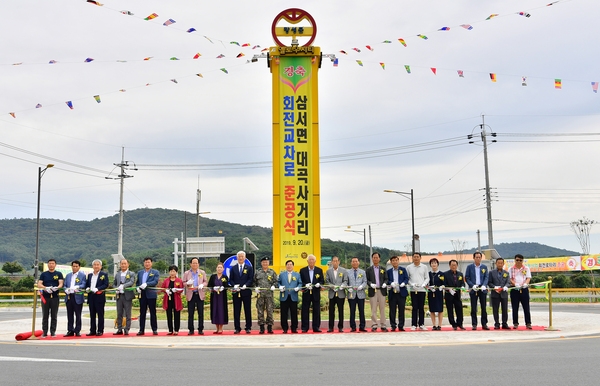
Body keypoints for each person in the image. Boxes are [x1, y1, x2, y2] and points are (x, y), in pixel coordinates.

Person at [229, 251, 254, 334]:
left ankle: (248, 327)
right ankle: (237, 327)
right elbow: (231, 279)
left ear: (245, 258)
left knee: (247, 310)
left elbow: (251, 279)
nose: (240, 258)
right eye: (239, 256)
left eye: (242, 256)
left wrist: (246, 285)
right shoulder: (233, 268)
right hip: (236, 292)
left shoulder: (249, 267)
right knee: (236, 310)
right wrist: (234, 285)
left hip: (246, 292)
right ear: (237, 258)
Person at [38, 258, 64, 338]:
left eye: (53, 263)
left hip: (55, 297)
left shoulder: (59, 274)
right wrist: (46, 288)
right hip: (45, 297)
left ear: (55, 265)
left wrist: (56, 288)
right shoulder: (44, 274)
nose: (51, 265)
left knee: (54, 315)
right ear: (47, 265)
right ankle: (44, 332)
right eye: (49, 263)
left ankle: (53, 332)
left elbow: (61, 283)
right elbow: (39, 284)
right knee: (45, 315)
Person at [300, 254, 325, 333]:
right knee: (305, 310)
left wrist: (319, 284)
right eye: (310, 260)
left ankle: (316, 327)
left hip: (315, 293)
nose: (311, 261)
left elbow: (322, 280)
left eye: (312, 260)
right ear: (307, 261)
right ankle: (305, 327)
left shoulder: (319, 270)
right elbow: (300, 281)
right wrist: (305, 285)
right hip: (306, 293)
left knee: (316, 310)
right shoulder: (302, 270)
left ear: (315, 261)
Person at [183, 257, 208, 335]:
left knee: (201, 313)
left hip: (199, 293)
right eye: (193, 263)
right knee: (191, 313)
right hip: (191, 294)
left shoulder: (202, 272)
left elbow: (205, 282)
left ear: (198, 264)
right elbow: (183, 282)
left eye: (196, 263)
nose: (194, 264)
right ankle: (191, 329)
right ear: (190, 264)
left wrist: (202, 285)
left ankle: (200, 329)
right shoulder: (187, 273)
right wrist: (187, 283)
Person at [253, 256, 278, 334]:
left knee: (270, 311)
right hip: (260, 295)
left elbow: (276, 281)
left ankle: (270, 327)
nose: (265, 263)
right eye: (263, 262)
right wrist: (255, 288)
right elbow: (253, 282)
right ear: (261, 263)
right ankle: (261, 327)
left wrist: (274, 286)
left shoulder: (272, 272)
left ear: (268, 263)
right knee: (260, 311)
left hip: (269, 295)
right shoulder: (257, 272)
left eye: (266, 262)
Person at [465, 251, 490, 330]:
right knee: (473, 307)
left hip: (482, 289)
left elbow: (486, 277)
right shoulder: (469, 267)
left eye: (479, 257)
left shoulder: (484, 267)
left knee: (483, 307)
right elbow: (467, 278)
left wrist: (484, 285)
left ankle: (484, 323)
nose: (478, 259)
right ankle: (474, 324)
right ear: (474, 258)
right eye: (476, 257)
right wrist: (472, 285)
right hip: (474, 288)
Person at [136, 257, 160, 335]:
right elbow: (137, 283)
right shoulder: (140, 272)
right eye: (146, 262)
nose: (147, 264)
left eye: (148, 262)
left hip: (151, 294)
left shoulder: (155, 272)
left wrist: (147, 284)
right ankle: (141, 329)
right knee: (142, 312)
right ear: (144, 263)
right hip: (142, 295)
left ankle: (154, 329)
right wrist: (137, 288)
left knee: (153, 312)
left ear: (151, 263)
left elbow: (155, 281)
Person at [86, 259, 109, 336]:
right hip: (91, 296)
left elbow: (106, 284)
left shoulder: (104, 274)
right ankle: (92, 330)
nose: (96, 266)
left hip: (99, 296)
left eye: (97, 265)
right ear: (92, 266)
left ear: (100, 266)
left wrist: (98, 288)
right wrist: (87, 288)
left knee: (100, 314)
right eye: (94, 265)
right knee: (92, 314)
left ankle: (100, 330)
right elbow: (87, 284)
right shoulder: (89, 275)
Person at [325, 256, 348, 332]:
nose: (335, 262)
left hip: (340, 293)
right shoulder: (328, 271)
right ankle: (331, 327)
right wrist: (332, 287)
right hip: (332, 293)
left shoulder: (343, 270)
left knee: (340, 311)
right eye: (333, 261)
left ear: (339, 262)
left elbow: (345, 281)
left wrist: (342, 286)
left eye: (336, 261)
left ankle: (340, 327)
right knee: (331, 311)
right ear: (331, 262)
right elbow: (327, 281)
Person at [406, 252, 429, 331]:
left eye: (417, 257)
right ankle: (414, 324)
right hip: (413, 290)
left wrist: (424, 284)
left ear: (420, 258)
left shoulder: (424, 267)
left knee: (421, 307)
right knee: (414, 307)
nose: (416, 258)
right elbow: (407, 278)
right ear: (412, 258)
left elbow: (427, 278)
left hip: (422, 290)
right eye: (414, 257)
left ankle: (421, 324)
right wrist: (412, 284)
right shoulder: (409, 267)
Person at [278, 260, 302, 334]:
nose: (289, 266)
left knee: (294, 313)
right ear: (286, 266)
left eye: (291, 264)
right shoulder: (282, 274)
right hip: (284, 296)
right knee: (283, 313)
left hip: (293, 295)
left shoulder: (297, 275)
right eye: (288, 264)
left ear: (293, 266)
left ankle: (294, 328)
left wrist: (298, 287)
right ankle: (285, 328)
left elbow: (300, 283)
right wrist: (280, 287)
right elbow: (278, 282)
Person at [366, 252, 388, 332]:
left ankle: (383, 324)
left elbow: (386, 278)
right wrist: (370, 284)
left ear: (379, 258)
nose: (375, 259)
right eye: (374, 257)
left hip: (381, 290)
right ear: (372, 259)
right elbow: (366, 280)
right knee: (373, 308)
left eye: (377, 257)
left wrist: (385, 283)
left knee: (382, 308)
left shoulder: (383, 269)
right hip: (373, 291)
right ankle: (374, 324)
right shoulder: (368, 269)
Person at [113, 259, 136, 335]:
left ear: (128, 264)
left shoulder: (131, 273)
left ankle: (127, 329)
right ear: (120, 265)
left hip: (127, 296)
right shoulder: (118, 274)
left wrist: (123, 286)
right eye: (122, 264)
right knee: (119, 313)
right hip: (119, 295)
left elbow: (131, 282)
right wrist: (116, 288)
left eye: (125, 264)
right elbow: (114, 283)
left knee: (128, 313)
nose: (123, 265)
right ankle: (119, 328)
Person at [63, 260, 86, 337]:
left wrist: (78, 286)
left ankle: (77, 330)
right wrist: (66, 290)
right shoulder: (68, 275)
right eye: (73, 266)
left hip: (78, 297)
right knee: (69, 315)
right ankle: (70, 330)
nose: (75, 268)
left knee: (78, 315)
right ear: (71, 266)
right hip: (69, 296)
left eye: (76, 266)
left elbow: (84, 284)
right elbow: (65, 285)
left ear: (79, 267)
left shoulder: (82, 275)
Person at [509, 254, 532, 329]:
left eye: (520, 260)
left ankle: (528, 323)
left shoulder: (526, 268)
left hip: (524, 289)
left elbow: (528, 278)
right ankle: (515, 323)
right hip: (514, 289)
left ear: (522, 260)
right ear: (514, 260)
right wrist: (514, 284)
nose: (518, 262)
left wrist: (525, 283)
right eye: (517, 260)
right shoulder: (511, 269)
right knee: (515, 307)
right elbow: (509, 279)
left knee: (526, 307)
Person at [387, 255, 409, 331]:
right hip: (392, 293)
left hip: (401, 293)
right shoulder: (389, 271)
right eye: (393, 260)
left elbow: (406, 278)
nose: (395, 262)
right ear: (391, 262)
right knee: (392, 310)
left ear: (398, 261)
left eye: (396, 260)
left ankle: (401, 325)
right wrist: (391, 283)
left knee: (401, 310)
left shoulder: (403, 269)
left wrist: (404, 283)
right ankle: (393, 325)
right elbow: (387, 280)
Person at [442, 259, 466, 330]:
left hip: (457, 295)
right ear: (450, 266)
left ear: (457, 266)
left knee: (459, 309)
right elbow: (444, 284)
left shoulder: (460, 274)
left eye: (455, 265)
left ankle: (460, 323)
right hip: (449, 295)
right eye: (452, 265)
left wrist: (462, 287)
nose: (454, 266)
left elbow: (462, 283)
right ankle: (453, 324)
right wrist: (449, 289)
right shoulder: (445, 274)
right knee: (450, 310)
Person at [161, 265, 184, 335]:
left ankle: (176, 329)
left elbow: (181, 289)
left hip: (176, 299)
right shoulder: (166, 280)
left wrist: (176, 290)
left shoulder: (179, 280)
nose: (172, 273)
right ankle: (170, 329)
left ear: (176, 272)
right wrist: (166, 290)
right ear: (169, 272)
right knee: (169, 314)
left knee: (177, 314)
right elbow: (162, 288)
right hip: (168, 299)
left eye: (174, 271)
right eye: (171, 271)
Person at [488, 257, 511, 330]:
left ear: (503, 264)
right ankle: (497, 324)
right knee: (495, 309)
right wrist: (494, 287)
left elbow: (508, 282)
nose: (500, 264)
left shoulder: (506, 273)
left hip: (504, 294)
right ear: (496, 263)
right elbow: (489, 282)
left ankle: (504, 323)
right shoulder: (491, 272)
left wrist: (506, 286)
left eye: (501, 263)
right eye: (498, 263)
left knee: (504, 309)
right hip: (495, 293)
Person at [346, 257, 367, 332]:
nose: (355, 263)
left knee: (361, 311)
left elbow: (365, 281)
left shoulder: (363, 272)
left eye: (356, 261)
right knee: (352, 311)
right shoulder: (347, 272)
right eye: (353, 261)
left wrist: (362, 286)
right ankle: (353, 327)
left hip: (360, 294)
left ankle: (362, 326)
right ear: (351, 263)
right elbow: (346, 282)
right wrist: (348, 288)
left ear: (359, 262)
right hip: (351, 294)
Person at [209, 262, 229, 334]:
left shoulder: (224, 277)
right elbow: (209, 286)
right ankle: (217, 327)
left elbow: (227, 286)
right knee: (215, 310)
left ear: (223, 269)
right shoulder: (213, 277)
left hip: (222, 296)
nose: (219, 269)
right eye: (218, 267)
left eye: (221, 267)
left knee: (221, 310)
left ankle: (221, 328)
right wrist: (213, 288)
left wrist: (223, 288)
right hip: (214, 296)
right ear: (216, 268)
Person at [428, 258, 445, 330]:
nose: (433, 264)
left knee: (440, 309)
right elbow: (426, 282)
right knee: (432, 309)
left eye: (435, 263)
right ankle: (434, 325)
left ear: (437, 264)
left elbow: (444, 283)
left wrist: (442, 287)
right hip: (431, 292)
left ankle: (439, 325)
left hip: (439, 293)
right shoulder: (428, 274)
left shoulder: (441, 274)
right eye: (432, 263)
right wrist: (429, 287)